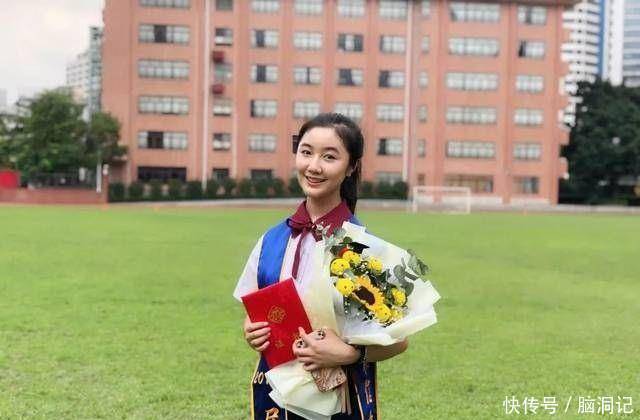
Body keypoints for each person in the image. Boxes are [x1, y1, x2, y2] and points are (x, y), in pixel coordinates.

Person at [233, 113, 408, 420]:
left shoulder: (363, 249)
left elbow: (399, 340)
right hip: (275, 398)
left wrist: (352, 353)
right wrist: (252, 331)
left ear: (351, 167)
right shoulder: (270, 241)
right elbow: (254, 315)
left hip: (341, 402)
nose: (314, 166)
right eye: (306, 152)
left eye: (329, 157)